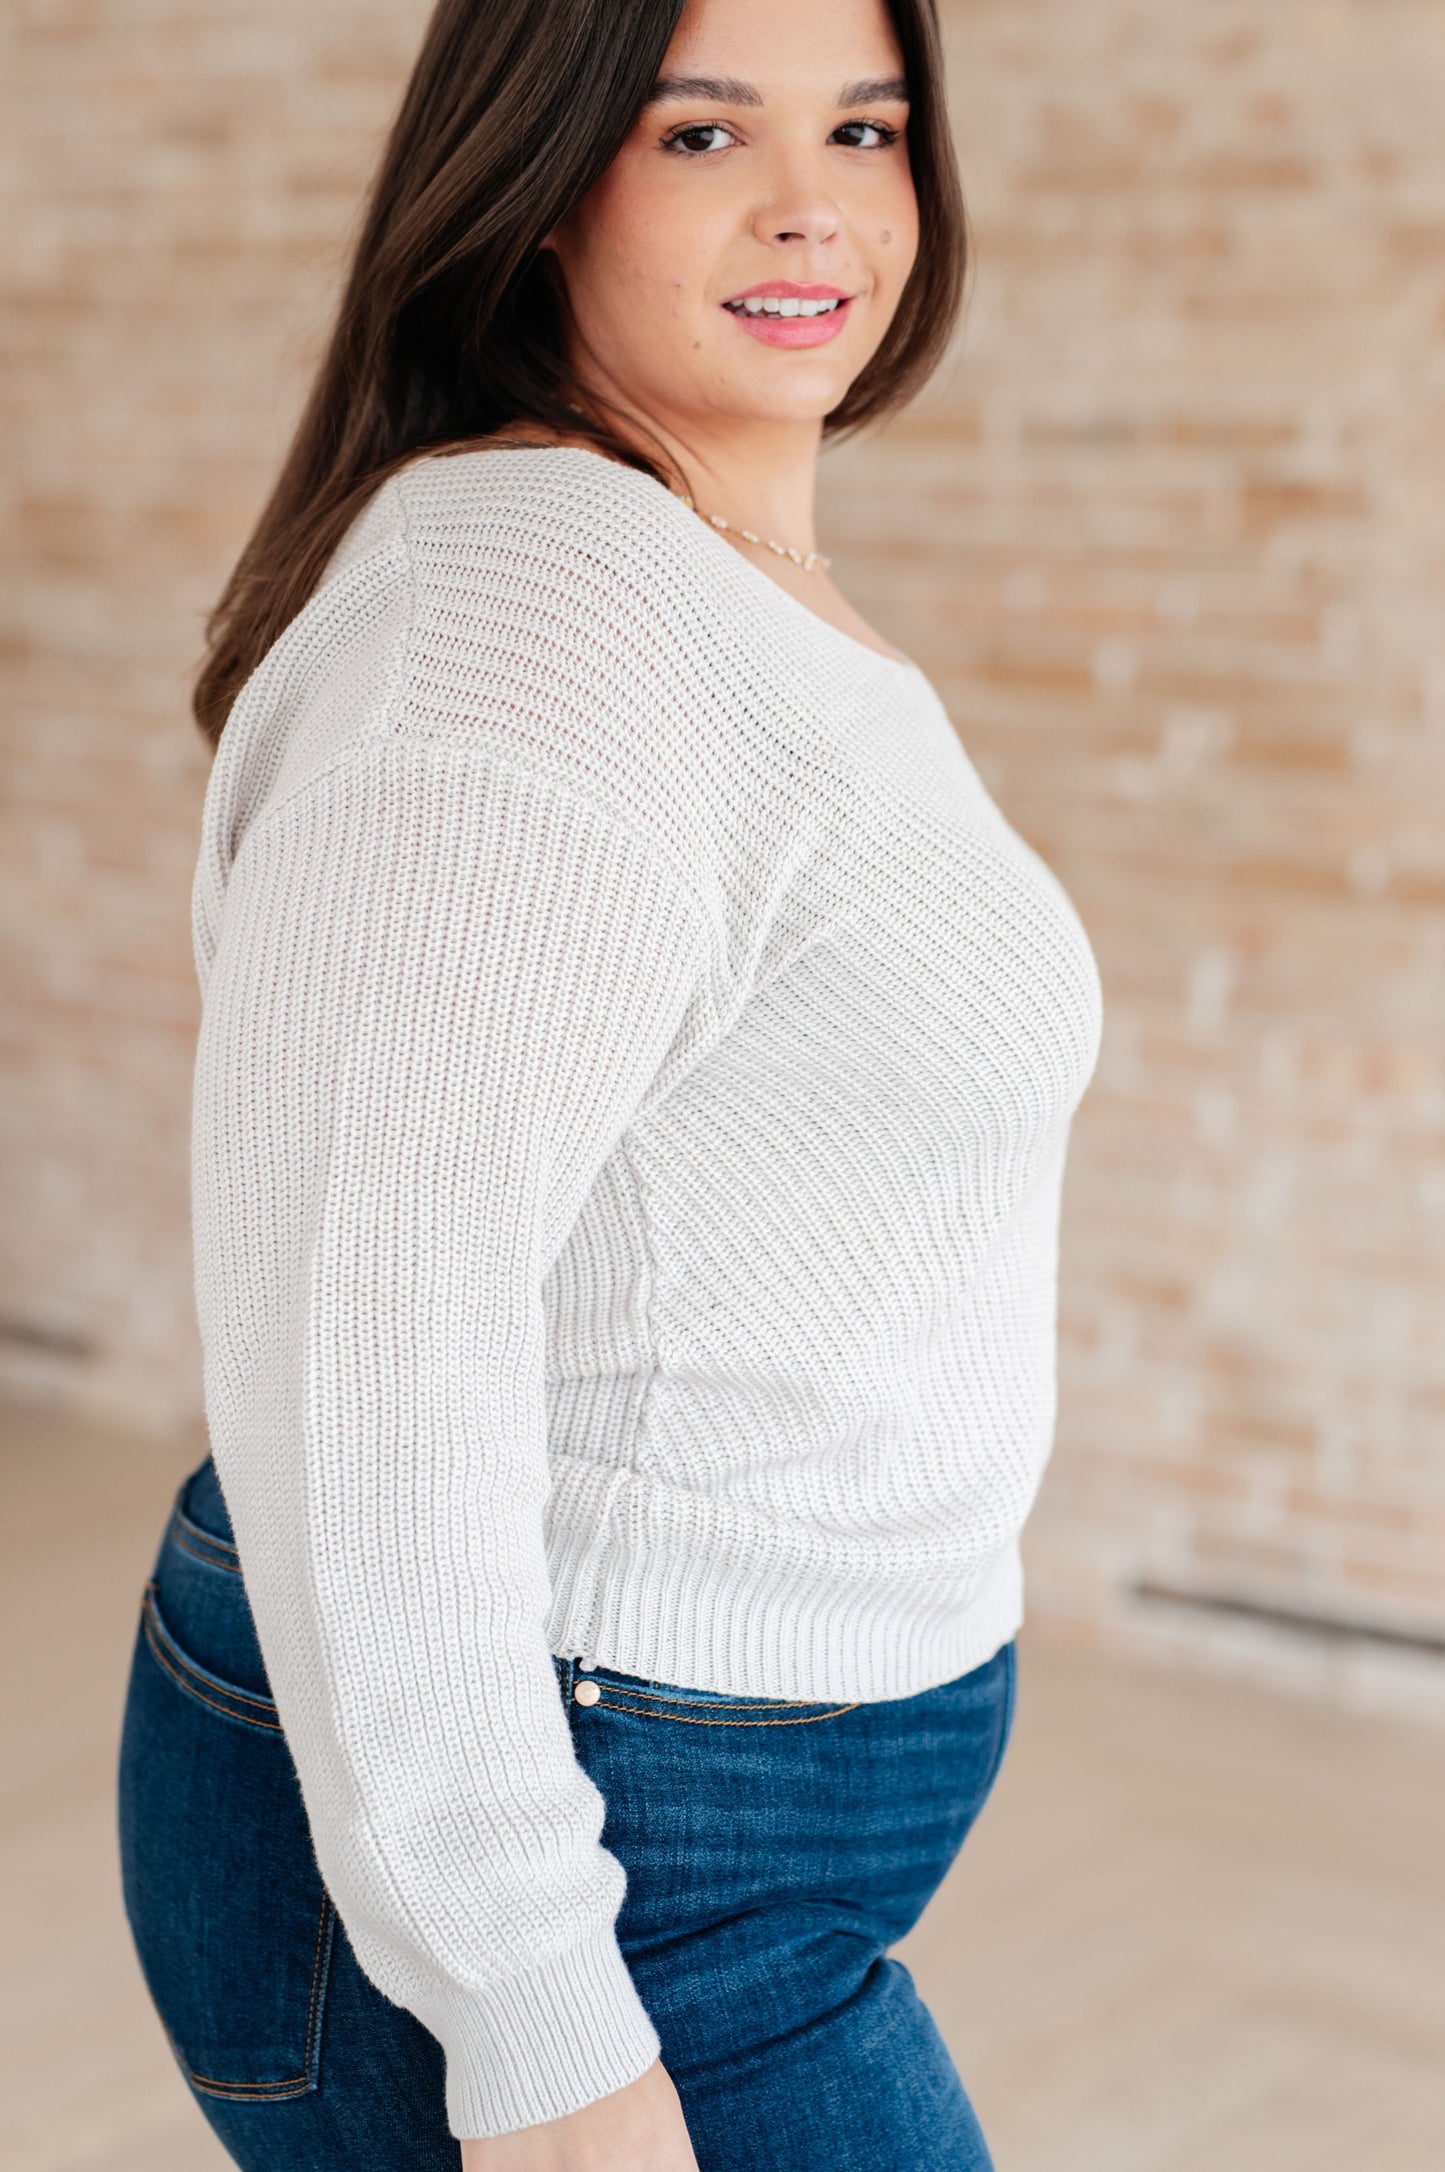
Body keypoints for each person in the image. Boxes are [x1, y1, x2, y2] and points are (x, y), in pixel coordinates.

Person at [117, 0, 1103, 2165]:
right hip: (610, 1834)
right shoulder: (530, 632)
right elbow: (368, 1342)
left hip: (734, 1814)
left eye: (867, 124)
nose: (815, 204)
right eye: (699, 132)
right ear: (544, 175)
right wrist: (537, 2023)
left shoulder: (708, 572)